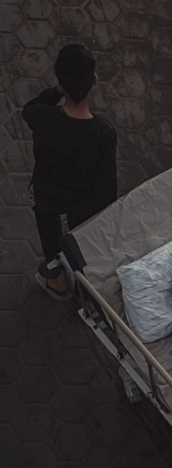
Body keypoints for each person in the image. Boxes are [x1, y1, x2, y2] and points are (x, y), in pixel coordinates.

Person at [22, 44, 117, 300]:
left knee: (49, 234)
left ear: (61, 83)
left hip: (46, 192)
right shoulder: (103, 133)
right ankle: (86, 284)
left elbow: (30, 108)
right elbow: (107, 186)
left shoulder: (42, 116)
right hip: (82, 200)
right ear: (94, 80)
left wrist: (57, 91)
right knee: (81, 241)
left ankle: (58, 280)